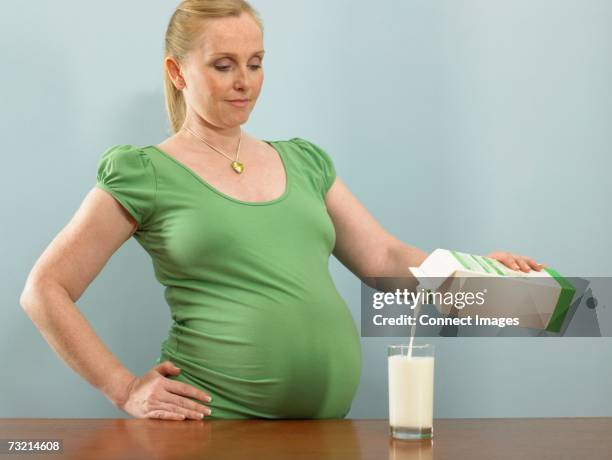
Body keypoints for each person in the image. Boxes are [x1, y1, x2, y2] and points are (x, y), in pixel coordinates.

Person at [19, 0, 545, 421]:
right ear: (177, 72)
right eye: (223, 66)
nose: (244, 81)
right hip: (212, 425)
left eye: (255, 63)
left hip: (322, 431)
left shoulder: (304, 161)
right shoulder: (144, 171)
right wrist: (126, 388)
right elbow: (44, 290)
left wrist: (485, 276)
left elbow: (384, 259)